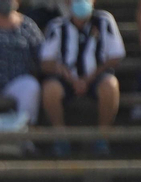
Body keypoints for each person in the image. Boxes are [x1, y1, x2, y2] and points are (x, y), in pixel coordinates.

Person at [39, 0, 125, 156]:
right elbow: (46, 62)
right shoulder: (57, 25)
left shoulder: (104, 21)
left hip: (96, 76)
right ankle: (61, 138)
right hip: (67, 79)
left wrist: (89, 78)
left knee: (111, 85)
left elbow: (117, 56)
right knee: (50, 89)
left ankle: (102, 137)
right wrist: (69, 76)